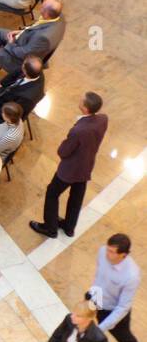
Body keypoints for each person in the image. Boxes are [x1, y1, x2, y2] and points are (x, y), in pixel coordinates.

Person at [30, 92, 108, 239]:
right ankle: (69, 227)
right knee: (76, 197)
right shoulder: (103, 119)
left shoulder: (78, 131)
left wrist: (62, 147)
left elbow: (63, 151)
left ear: (85, 108)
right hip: (86, 166)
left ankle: (50, 228)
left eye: (81, 100)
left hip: (70, 170)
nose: (79, 100)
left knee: (52, 193)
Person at [87, 234, 140, 342]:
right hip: (98, 299)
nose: (106, 253)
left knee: (123, 336)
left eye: (111, 252)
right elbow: (99, 275)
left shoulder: (131, 275)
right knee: (97, 323)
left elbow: (123, 307)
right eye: (107, 249)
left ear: (123, 255)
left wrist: (101, 329)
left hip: (115, 311)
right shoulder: (102, 251)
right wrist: (93, 294)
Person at [0, 0, 64, 76]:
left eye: (42, 7)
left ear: (47, 14)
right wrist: (21, 32)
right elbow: (36, 27)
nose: (40, 7)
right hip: (25, 39)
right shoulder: (58, 16)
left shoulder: (44, 37)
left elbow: (24, 54)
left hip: (19, 58)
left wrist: (10, 44)